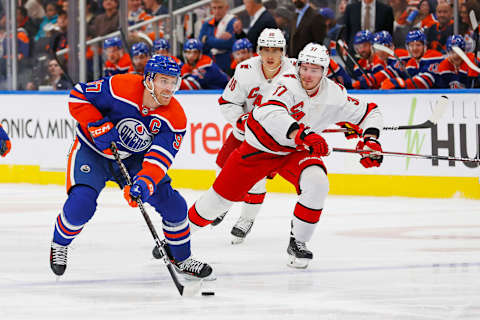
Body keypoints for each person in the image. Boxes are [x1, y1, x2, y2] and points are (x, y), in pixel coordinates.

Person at [187, 43, 383, 268]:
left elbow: (371, 112)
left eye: (315, 69)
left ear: (325, 71)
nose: (308, 75)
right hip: (259, 149)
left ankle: (298, 242)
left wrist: (370, 140)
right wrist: (304, 134)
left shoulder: (334, 93)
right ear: (298, 66)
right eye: (305, 68)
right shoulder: (286, 84)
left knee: (317, 183)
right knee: (218, 202)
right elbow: (272, 113)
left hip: (294, 152)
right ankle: (177, 237)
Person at [49, 55, 213, 280]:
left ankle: (182, 259)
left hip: (133, 160)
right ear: (148, 80)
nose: (169, 88)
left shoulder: (175, 118)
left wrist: (145, 183)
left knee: (174, 205)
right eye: (163, 81)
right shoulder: (120, 86)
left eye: (173, 82)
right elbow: (78, 96)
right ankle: (60, 243)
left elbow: (159, 160)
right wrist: (96, 125)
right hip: (92, 152)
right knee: (81, 205)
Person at [212, 28, 296, 244]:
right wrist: (240, 121)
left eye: (276, 50)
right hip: (245, 132)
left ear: (283, 51)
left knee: (256, 179)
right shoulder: (245, 69)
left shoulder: (296, 71)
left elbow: (318, 97)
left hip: (273, 139)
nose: (270, 55)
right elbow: (228, 103)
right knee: (223, 167)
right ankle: (222, 204)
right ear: (258, 50)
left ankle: (246, 219)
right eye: (266, 49)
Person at [198, 0, 238, 74]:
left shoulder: (233, 22)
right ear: (211, 9)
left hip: (228, 65)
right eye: (214, 8)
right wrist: (218, 42)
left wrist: (207, 39)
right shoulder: (206, 24)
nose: (217, 11)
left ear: (226, 8)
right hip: (209, 65)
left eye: (220, 8)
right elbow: (201, 46)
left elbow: (229, 43)